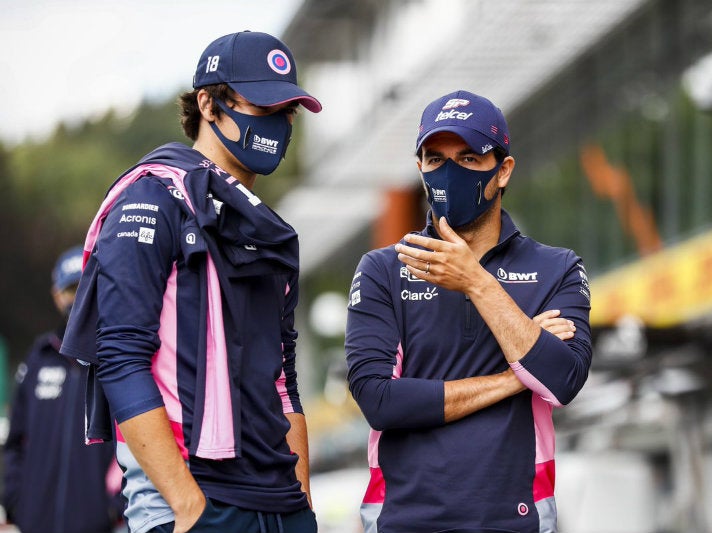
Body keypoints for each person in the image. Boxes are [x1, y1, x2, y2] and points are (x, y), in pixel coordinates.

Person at [60, 31, 322, 533]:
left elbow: (284, 382)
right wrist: (187, 507)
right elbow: (120, 360)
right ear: (208, 103)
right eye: (262, 106)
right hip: (197, 502)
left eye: (287, 111)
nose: (278, 124)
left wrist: (302, 503)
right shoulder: (151, 198)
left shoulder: (270, 228)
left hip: (282, 506)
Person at [345, 90, 593, 533]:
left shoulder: (557, 268)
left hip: (519, 517)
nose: (448, 172)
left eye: (468, 158)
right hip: (402, 518)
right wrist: (513, 377)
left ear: (503, 171)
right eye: (435, 159)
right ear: (419, 167)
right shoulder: (384, 268)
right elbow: (379, 401)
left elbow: (563, 380)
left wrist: (476, 282)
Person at [3, 245, 123, 533]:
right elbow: (15, 441)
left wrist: (112, 507)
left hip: (97, 525)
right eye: (70, 289)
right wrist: (15, 500)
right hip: (34, 522)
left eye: (85, 287)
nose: (77, 298)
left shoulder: (117, 358)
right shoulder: (38, 357)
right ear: (56, 295)